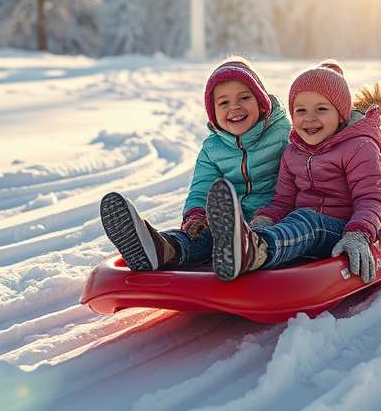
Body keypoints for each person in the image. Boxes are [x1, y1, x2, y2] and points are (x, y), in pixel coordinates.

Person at [206, 60, 381, 283]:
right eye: (301, 111)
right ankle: (250, 243)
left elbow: (372, 199)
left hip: (342, 232)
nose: (310, 118)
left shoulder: (359, 147)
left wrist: (358, 234)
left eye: (321, 109)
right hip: (300, 231)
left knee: (307, 219)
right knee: (297, 219)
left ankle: (254, 252)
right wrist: (264, 220)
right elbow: (283, 201)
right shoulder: (293, 153)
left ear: (341, 114)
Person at [100, 57, 291, 271]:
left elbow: (301, 179)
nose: (234, 107)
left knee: (277, 234)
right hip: (225, 226)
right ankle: (162, 248)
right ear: (213, 113)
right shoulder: (212, 149)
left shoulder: (284, 135)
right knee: (200, 237)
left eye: (244, 98)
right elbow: (202, 187)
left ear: (261, 101)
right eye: (223, 103)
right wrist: (196, 214)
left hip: (272, 221)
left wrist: (275, 214)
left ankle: (247, 249)